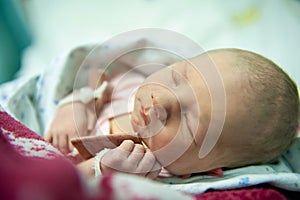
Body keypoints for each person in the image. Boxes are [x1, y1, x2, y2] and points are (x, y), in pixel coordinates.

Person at [45, 48, 299, 179]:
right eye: (177, 78)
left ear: (209, 170)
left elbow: (60, 188)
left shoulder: (158, 177)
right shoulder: (129, 85)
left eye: (189, 122)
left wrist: (99, 171)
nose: (162, 102)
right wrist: (75, 105)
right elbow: (92, 83)